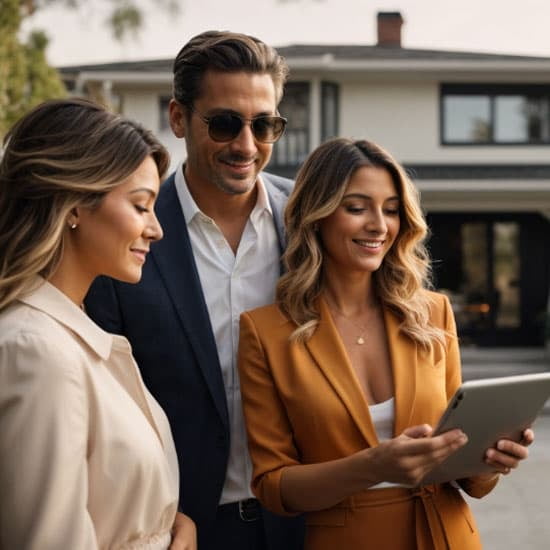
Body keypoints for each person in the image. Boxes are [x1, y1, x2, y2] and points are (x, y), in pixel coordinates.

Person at [237, 138, 534, 550]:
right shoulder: (265, 331)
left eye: (391, 209)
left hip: (447, 536)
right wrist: (371, 465)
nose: (379, 224)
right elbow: (274, 486)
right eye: (356, 208)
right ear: (316, 216)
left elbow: (469, 479)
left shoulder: (433, 314)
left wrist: (491, 462)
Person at [85, 31, 304, 549]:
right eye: (225, 123)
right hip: (178, 529)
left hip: (306, 520)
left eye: (264, 125)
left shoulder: (311, 218)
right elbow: (102, 402)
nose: (247, 145)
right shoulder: (125, 231)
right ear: (178, 118)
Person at [0, 98, 196, 550]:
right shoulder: (37, 351)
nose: (156, 229)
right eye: (141, 206)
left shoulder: (74, 336)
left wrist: (170, 526)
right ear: (74, 205)